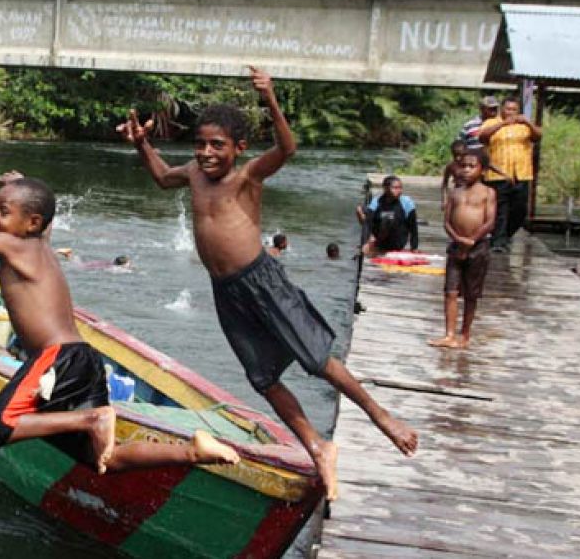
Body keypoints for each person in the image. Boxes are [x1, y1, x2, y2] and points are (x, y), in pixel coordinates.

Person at [120, 66, 417, 501]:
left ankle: (380, 415)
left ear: (239, 148)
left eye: (217, 145)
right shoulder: (194, 174)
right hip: (227, 291)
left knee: (315, 356)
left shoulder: (247, 176)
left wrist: (270, 98)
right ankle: (317, 445)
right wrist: (143, 144)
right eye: (200, 144)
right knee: (263, 377)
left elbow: (287, 147)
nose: (206, 153)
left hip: (262, 280)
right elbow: (164, 178)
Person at [0, 172, 239, 474]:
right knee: (104, 459)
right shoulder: (40, 245)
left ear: (32, 222)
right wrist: (16, 185)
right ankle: (193, 451)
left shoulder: (16, 245)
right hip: (83, 360)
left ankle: (91, 418)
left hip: (56, 359)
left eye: (2, 211)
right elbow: (42, 217)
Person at [428, 151, 497, 349]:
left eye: (471, 166)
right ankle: (449, 334)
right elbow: (447, 221)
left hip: (479, 247)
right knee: (450, 291)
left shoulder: (488, 193)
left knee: (471, 294)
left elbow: (490, 221)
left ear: (482, 170)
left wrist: (472, 240)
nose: (466, 170)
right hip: (456, 246)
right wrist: (458, 239)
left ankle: (464, 334)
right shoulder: (455, 192)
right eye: (463, 166)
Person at [477, 97, 542, 254]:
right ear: (502, 110)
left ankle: (505, 236)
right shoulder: (491, 122)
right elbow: (482, 136)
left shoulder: (523, 126)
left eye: (514, 109)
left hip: (522, 173)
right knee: (500, 209)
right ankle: (498, 242)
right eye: (508, 109)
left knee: (520, 210)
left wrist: (527, 122)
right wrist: (502, 124)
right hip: (498, 174)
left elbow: (538, 136)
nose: (511, 112)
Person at [358, 176, 419, 256]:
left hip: (397, 240)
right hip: (380, 238)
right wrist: (364, 242)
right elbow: (367, 224)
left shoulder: (407, 203)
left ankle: (374, 244)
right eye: (395, 188)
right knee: (361, 210)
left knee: (388, 217)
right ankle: (372, 242)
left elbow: (413, 228)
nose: (399, 191)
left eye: (400, 188)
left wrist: (414, 247)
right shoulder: (376, 201)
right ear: (386, 188)